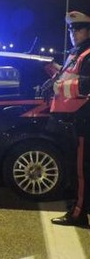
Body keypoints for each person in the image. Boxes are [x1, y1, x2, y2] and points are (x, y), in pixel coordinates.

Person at [49, 11, 90, 227]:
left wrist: (59, 86)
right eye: (71, 30)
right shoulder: (76, 53)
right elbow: (70, 78)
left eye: (78, 29)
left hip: (83, 122)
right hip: (70, 122)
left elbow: (86, 84)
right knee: (74, 170)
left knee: (81, 172)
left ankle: (78, 214)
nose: (74, 33)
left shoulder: (88, 54)